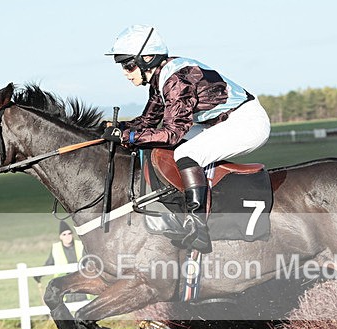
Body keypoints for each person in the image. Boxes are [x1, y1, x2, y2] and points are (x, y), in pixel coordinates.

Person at [102, 25, 271, 253]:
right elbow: (148, 122)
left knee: (184, 152)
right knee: (157, 146)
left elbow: (172, 134)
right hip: (221, 123)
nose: (125, 71)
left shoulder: (177, 80)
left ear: (148, 59)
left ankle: (197, 226)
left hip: (247, 123)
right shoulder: (160, 78)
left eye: (128, 64)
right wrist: (117, 128)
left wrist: (128, 136)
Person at [33, 220, 87, 303]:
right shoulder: (56, 248)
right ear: (60, 237)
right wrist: (39, 274)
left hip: (81, 285)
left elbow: (88, 262)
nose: (67, 236)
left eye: (69, 233)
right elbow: (49, 264)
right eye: (64, 234)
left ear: (72, 235)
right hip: (64, 287)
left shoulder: (80, 245)